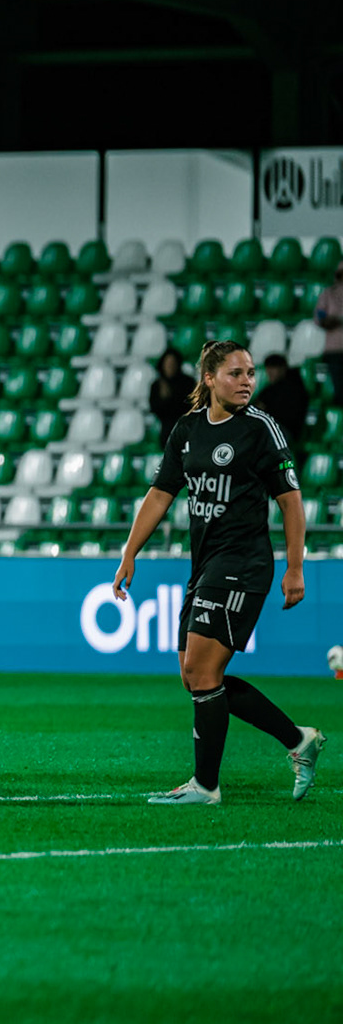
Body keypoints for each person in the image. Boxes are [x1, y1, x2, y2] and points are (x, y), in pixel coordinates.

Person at [114, 340, 325, 804]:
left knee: (202, 672)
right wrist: (130, 552)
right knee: (195, 678)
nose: (247, 380)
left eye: (250, 373)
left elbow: (291, 503)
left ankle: (206, 786)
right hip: (205, 564)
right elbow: (160, 493)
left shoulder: (261, 429)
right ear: (209, 379)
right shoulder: (186, 429)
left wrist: (295, 567)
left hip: (243, 564)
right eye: (235, 373)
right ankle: (298, 739)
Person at [254, 352, 309, 453]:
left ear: (283, 369)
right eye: (268, 368)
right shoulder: (271, 389)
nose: (269, 372)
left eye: (273, 368)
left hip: (284, 432)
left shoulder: (293, 389)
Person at [148, 347, 195, 444]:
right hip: (166, 430)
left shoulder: (188, 383)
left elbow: (190, 407)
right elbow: (154, 408)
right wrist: (163, 398)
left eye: (173, 363)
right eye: (168, 364)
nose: (170, 366)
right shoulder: (157, 385)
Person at [316, 261, 343, 405]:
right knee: (339, 387)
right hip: (334, 349)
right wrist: (328, 321)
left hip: (335, 348)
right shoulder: (328, 294)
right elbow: (319, 316)